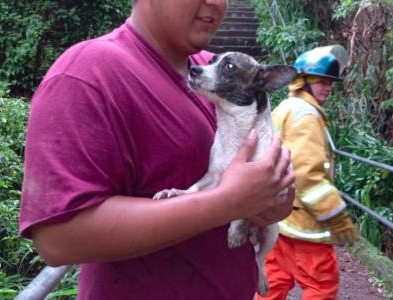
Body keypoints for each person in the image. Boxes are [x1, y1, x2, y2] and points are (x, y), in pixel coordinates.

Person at [18, 0, 296, 299]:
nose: (216, 2)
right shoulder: (88, 74)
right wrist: (227, 202)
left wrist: (273, 200)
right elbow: (58, 240)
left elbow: (263, 199)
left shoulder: (209, 71)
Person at [257, 46, 359, 300]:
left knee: (274, 282)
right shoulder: (308, 115)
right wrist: (337, 217)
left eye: (330, 83)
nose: (328, 88)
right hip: (306, 226)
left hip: (279, 220)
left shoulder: (285, 108)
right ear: (303, 82)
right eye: (321, 81)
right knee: (321, 287)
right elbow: (307, 176)